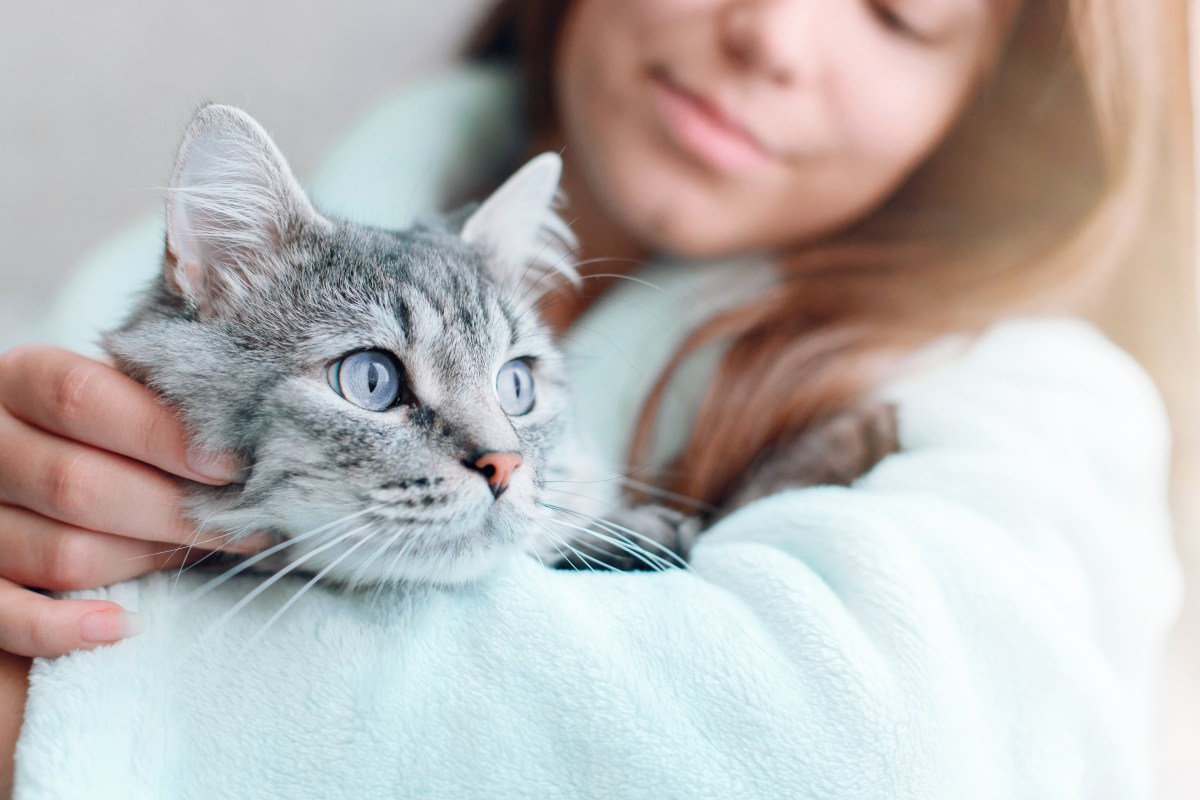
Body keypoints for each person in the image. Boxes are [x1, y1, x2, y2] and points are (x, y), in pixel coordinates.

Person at [0, 0, 1195, 796]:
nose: (772, 31)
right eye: (379, 381)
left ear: (987, 88)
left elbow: (867, 753)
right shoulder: (243, 250)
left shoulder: (1029, 401)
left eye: (902, 8)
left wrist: (69, 703)